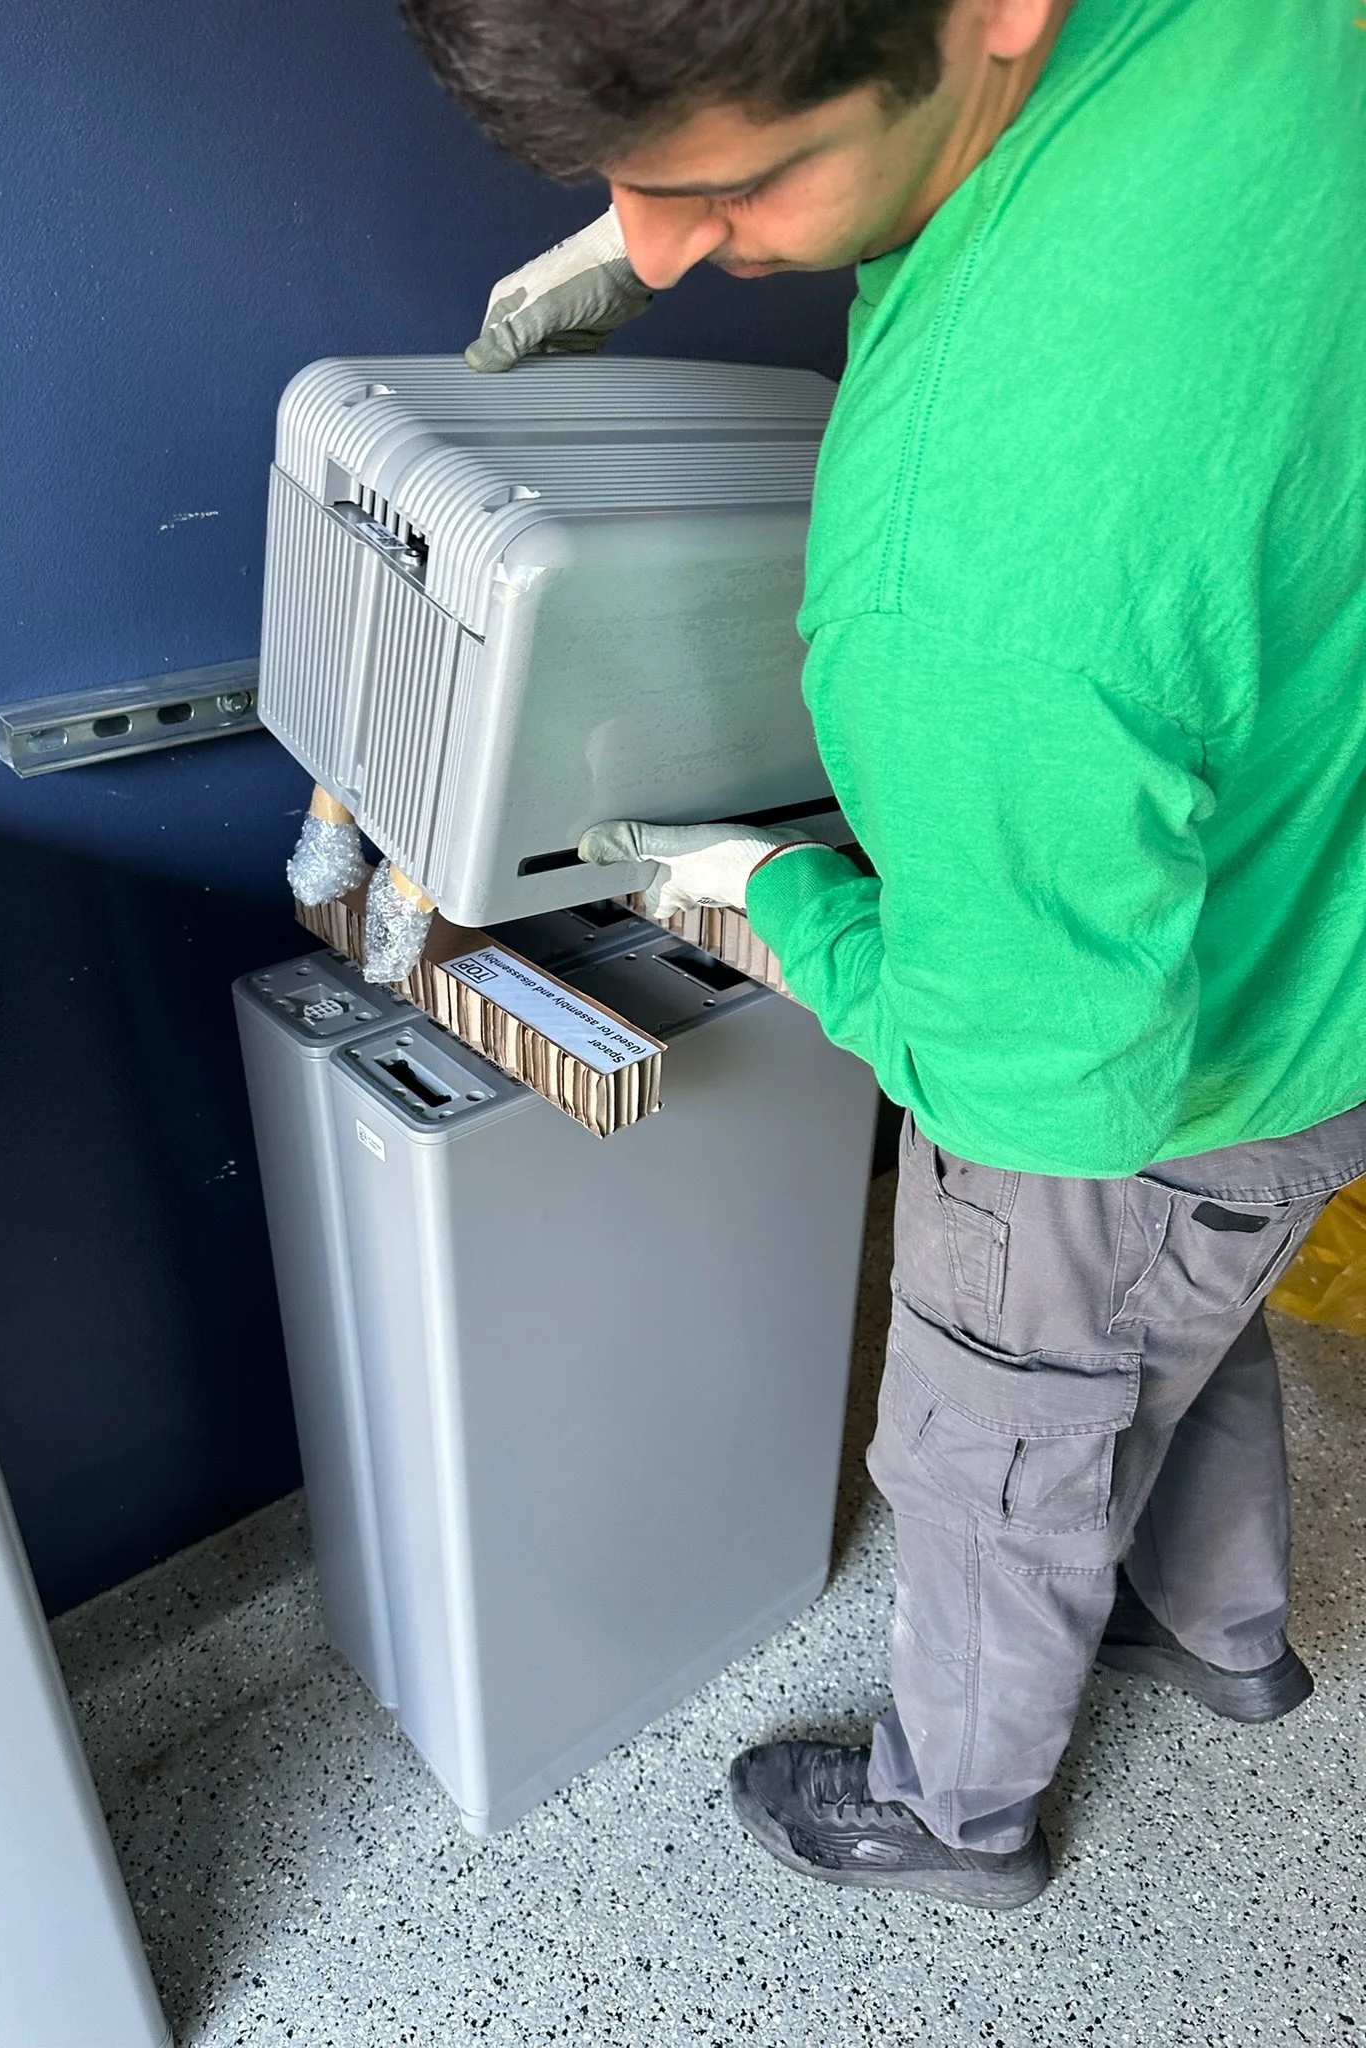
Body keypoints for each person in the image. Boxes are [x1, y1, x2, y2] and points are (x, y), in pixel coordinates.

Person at [399, 0, 1366, 1908]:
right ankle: (1223, 1632)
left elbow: (1027, 1078)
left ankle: (956, 1818)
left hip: (1129, 1081)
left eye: (727, 182)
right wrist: (671, 198)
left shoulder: (977, 586)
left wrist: (769, 899)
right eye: (632, 187)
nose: (665, 239)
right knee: (1184, 1317)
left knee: (993, 1449)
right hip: (1314, 978)